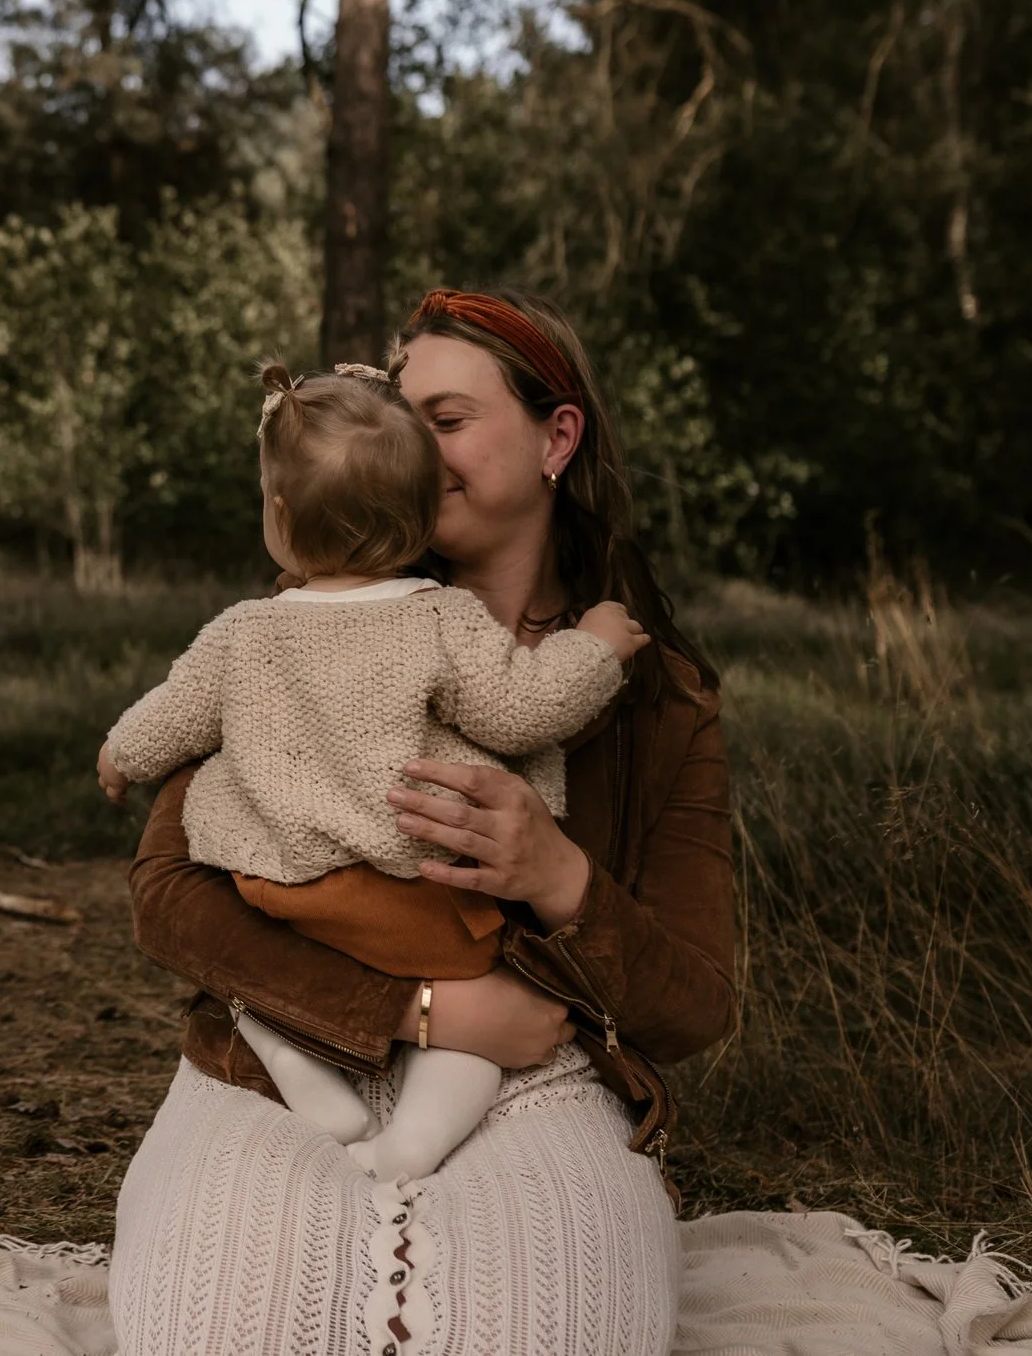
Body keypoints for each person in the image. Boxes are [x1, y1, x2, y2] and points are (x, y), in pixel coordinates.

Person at [108, 288, 736, 1356]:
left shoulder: (653, 695)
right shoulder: (299, 622)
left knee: (548, 1328)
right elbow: (169, 898)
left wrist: (559, 876)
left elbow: (692, 1003)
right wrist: (416, 1007)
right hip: (280, 1041)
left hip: (537, 1065)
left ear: (557, 438)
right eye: (399, 418)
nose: (408, 444)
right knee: (217, 1324)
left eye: (444, 420)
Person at [97, 360, 647, 1184]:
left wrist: (117, 755)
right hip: (413, 904)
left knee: (258, 982)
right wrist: (597, 647)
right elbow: (523, 708)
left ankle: (290, 1050)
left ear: (281, 516)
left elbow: (171, 716)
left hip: (280, 895)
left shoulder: (243, 630)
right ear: (422, 516)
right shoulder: (441, 618)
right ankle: (412, 1143)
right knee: (476, 1015)